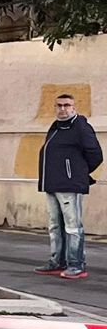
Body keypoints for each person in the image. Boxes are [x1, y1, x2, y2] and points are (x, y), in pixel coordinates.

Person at [36, 91, 101, 280]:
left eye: (67, 105)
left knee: (73, 227)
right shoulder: (56, 127)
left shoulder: (80, 127)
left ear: (74, 107)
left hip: (69, 185)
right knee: (55, 226)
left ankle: (76, 265)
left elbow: (95, 154)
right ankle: (57, 261)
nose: (63, 109)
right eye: (59, 105)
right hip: (51, 183)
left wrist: (77, 173)